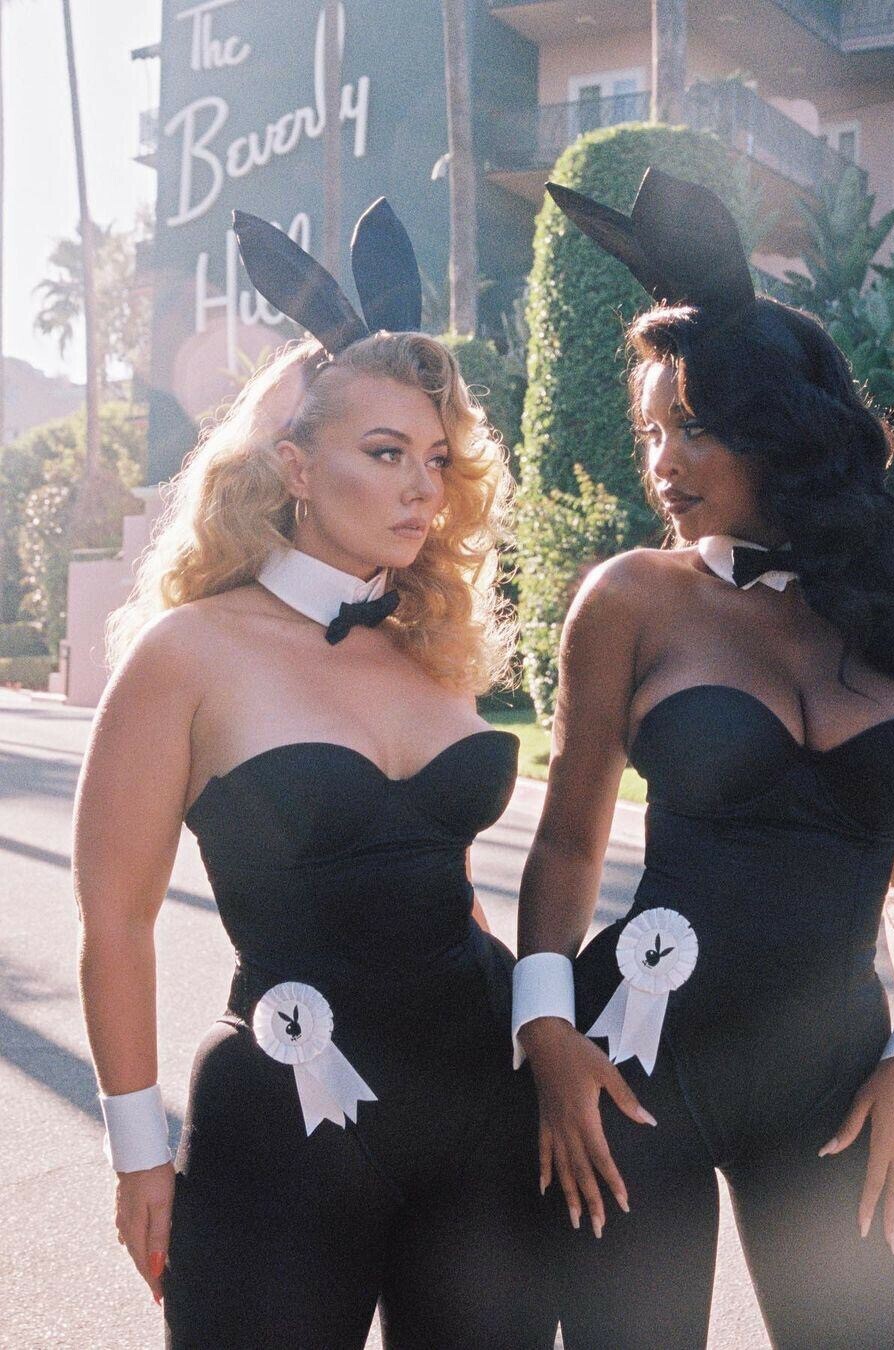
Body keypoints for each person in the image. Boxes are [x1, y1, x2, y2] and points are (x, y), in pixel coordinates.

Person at [511, 168, 894, 1350]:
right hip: (636, 1067)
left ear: (781, 427)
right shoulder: (631, 599)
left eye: (693, 427)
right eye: (650, 432)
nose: (662, 463)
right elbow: (568, 841)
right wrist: (547, 1035)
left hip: (840, 1082)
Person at [74, 199, 556, 1348]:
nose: (421, 488)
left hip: (484, 1116)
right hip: (284, 1126)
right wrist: (139, 1154)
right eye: (385, 454)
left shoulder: (431, 640)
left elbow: (438, 875)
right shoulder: (189, 652)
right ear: (294, 466)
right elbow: (116, 922)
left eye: (436, 459)